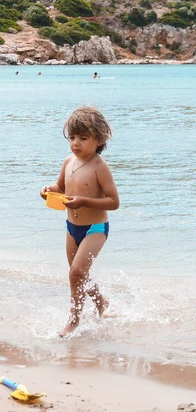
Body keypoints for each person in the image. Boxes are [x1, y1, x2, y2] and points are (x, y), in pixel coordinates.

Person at [40, 106, 119, 337]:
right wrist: (48, 191)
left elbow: (114, 202)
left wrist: (84, 201)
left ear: (98, 140)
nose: (76, 143)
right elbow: (60, 187)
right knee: (79, 274)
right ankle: (102, 302)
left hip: (95, 229)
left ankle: (73, 320)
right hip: (71, 227)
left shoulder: (99, 167)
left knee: (76, 273)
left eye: (83, 138)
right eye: (72, 138)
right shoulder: (68, 162)